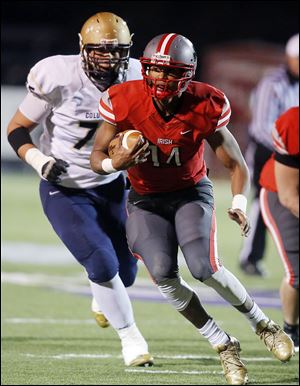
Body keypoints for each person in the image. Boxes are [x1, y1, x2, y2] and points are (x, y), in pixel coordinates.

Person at [90, 33, 294, 385]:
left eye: (170, 73)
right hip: (144, 199)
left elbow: (236, 165)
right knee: (163, 275)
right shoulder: (124, 100)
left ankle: (263, 324)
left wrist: (239, 203)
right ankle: (223, 344)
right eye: (154, 71)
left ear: (187, 75)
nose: (160, 79)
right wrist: (114, 163)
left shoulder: (205, 103)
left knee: (204, 267)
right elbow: (97, 156)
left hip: (189, 193)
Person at [6, 12, 153, 367]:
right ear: (83, 49)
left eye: (117, 51)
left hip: (111, 184)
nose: (109, 59)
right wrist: (39, 161)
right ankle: (131, 339)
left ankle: (102, 293)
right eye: (101, 51)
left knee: (127, 273)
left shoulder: (137, 76)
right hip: (66, 187)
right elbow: (17, 129)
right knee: (102, 264)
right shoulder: (58, 76)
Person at [239, 33, 299, 276]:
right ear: (290, 58)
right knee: (261, 201)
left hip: (293, 151)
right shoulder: (273, 83)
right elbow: (261, 127)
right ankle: (250, 256)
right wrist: (285, 147)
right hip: (270, 150)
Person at [259, 106, 299, 352]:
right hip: (283, 195)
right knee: (298, 273)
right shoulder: (294, 124)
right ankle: (292, 329)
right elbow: (288, 196)